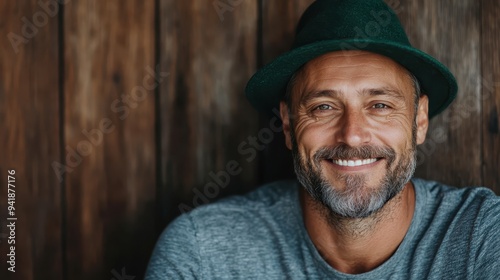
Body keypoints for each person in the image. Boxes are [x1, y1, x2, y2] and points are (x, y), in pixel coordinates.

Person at [146, 0, 500, 278]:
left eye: (379, 105)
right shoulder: (204, 252)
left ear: (419, 120)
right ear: (287, 124)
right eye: (323, 107)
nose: (352, 134)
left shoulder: (483, 236)